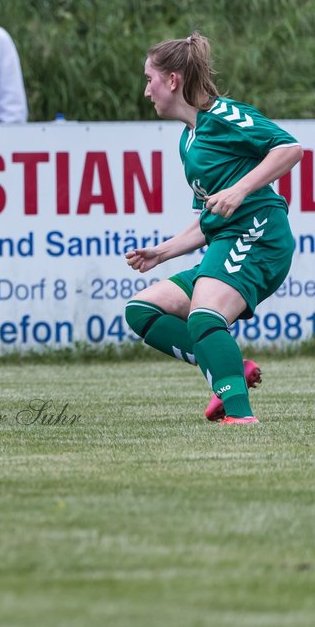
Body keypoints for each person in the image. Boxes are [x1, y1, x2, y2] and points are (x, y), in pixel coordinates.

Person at [123, 33, 302, 425]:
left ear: (172, 80)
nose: (146, 90)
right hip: (230, 237)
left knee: (205, 316)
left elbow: (290, 149)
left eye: (149, 78)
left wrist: (239, 190)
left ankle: (240, 414)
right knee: (142, 311)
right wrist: (163, 251)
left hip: (260, 234)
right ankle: (230, 368)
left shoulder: (223, 115)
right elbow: (212, 216)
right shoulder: (188, 141)